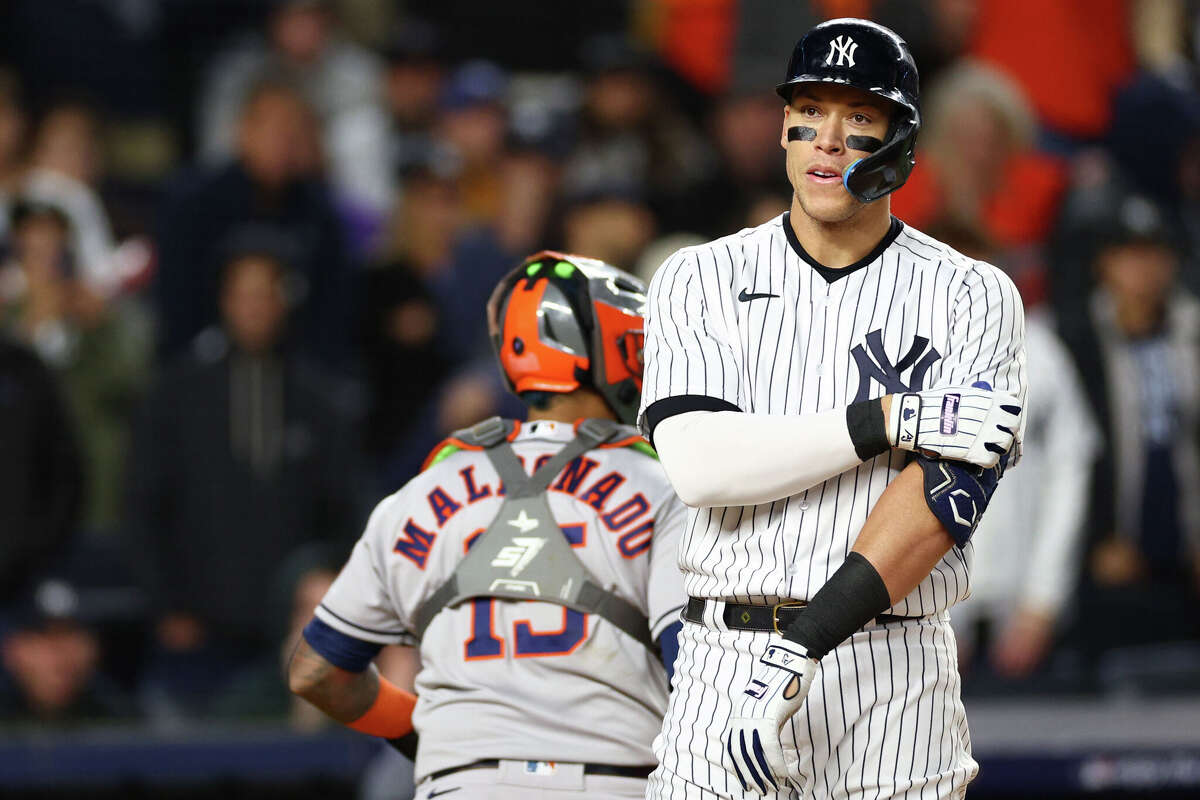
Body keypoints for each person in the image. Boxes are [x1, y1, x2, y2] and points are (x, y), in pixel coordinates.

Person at [638, 19, 1026, 798]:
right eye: (809, 113)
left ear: (901, 146)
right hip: (725, 656)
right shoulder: (699, 275)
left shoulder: (974, 294)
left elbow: (942, 502)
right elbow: (701, 465)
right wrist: (882, 419)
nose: (828, 140)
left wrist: (806, 644)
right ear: (783, 126)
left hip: (892, 673)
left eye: (860, 119)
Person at [288, 252, 688, 800]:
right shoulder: (660, 487)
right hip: (609, 779)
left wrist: (421, 732)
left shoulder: (419, 492)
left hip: (459, 784)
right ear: (609, 350)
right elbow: (695, 672)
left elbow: (316, 672)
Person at [128, 243, 360, 717]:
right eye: (243, 293)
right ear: (224, 300)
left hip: (296, 634)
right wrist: (167, 606)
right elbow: (143, 505)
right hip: (198, 631)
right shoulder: (178, 394)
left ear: (284, 301)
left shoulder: (319, 399)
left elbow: (347, 509)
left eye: (266, 292)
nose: (255, 306)